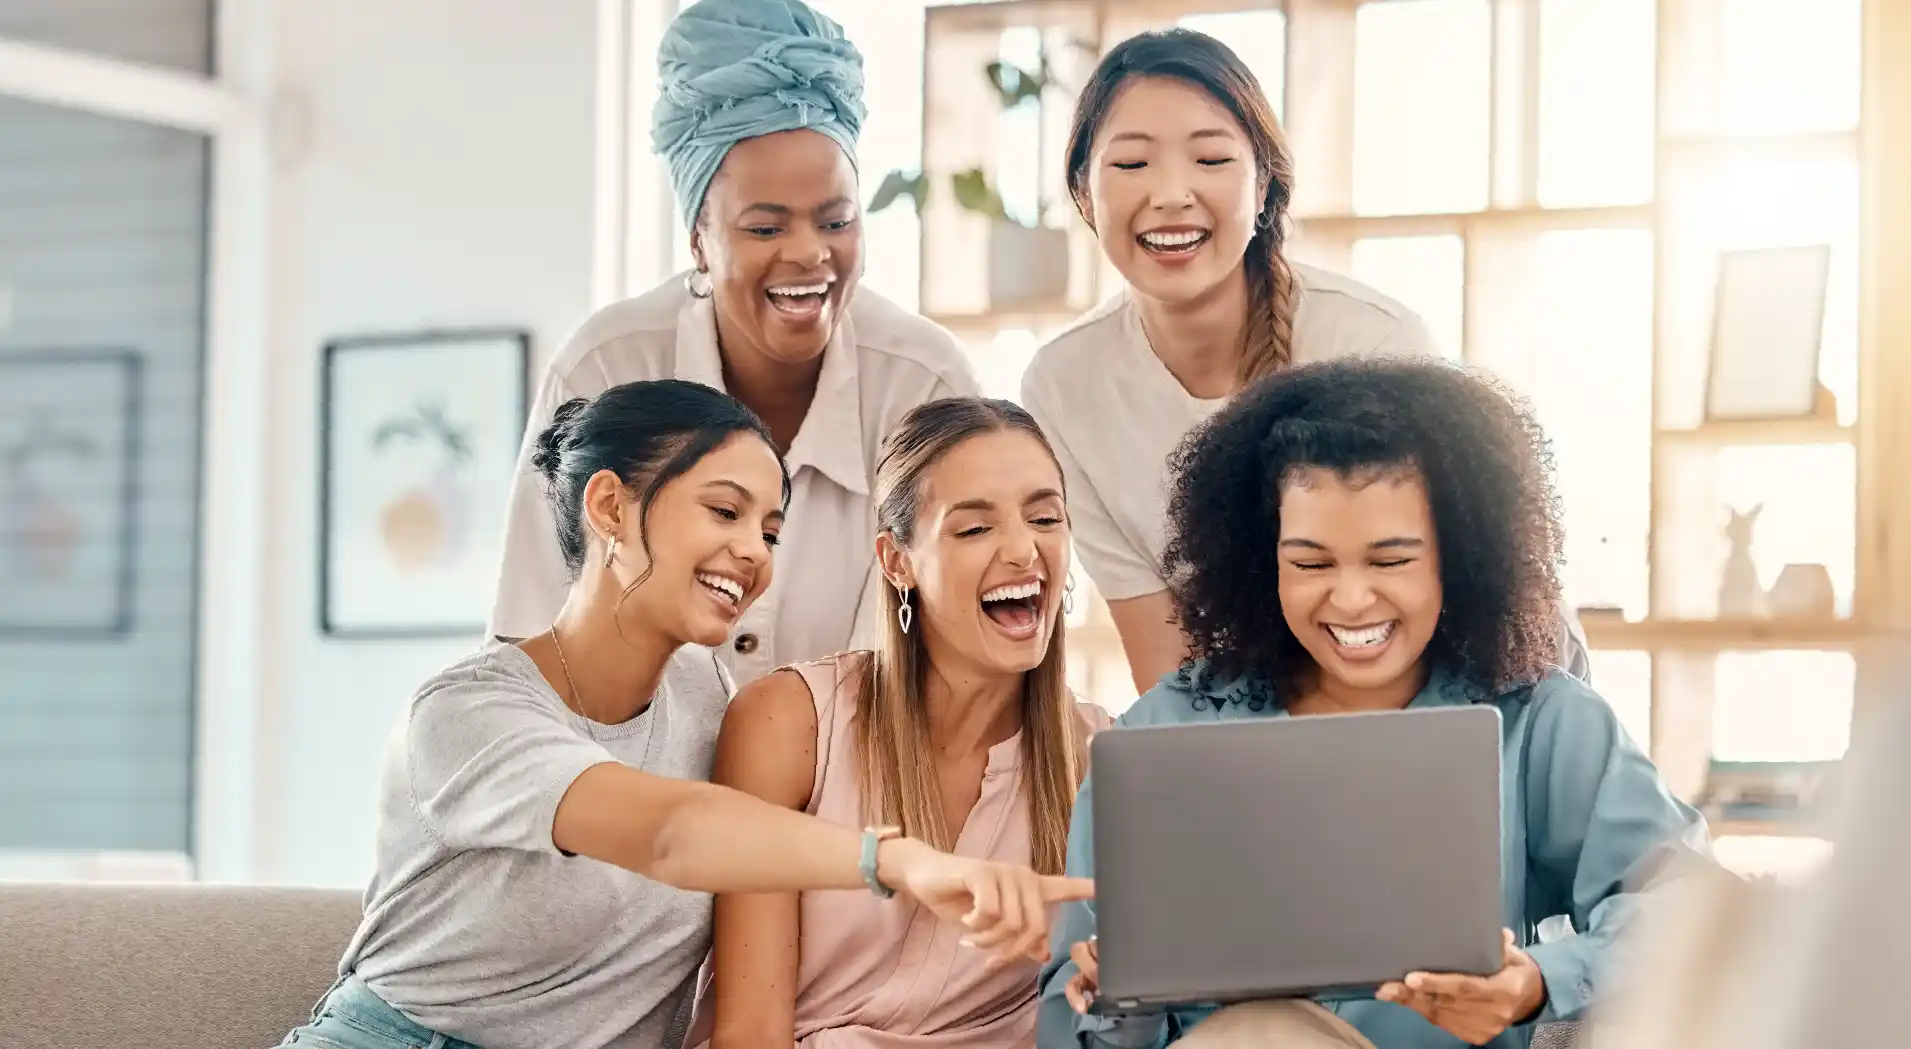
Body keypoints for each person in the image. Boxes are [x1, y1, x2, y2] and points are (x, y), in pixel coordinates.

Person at [275, 380, 1089, 1049]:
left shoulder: (707, 698)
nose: (753, 553)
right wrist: (905, 862)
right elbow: (674, 833)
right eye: (725, 512)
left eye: (770, 530)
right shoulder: (465, 715)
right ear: (609, 508)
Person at [1036, 357, 1707, 1049]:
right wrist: (1118, 1000)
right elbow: (1070, 1019)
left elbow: (1693, 905)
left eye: (1389, 561)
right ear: (1262, 562)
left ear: (1459, 555)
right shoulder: (1165, 732)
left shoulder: (1539, 720)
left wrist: (1538, 978)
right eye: (1310, 563)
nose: (1352, 599)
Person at [1018, 29, 1588, 694]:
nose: (1171, 194)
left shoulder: (1373, 340)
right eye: (1131, 165)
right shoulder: (1063, 386)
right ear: (1083, 195)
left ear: (1263, 188)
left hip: (1483, 697)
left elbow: (1454, 614)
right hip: (1271, 723)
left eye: (1210, 160)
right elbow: (1174, 680)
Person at [489, 0, 979, 687]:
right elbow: (530, 641)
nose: (810, 254)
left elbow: (947, 663)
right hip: (619, 787)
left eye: (835, 221)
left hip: (855, 786)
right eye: (764, 228)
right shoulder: (606, 367)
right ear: (698, 238)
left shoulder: (925, 384)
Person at [688, 397, 1112, 1049]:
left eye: (1045, 517)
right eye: (973, 529)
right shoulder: (788, 723)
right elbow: (749, 1031)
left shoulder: (1097, 758)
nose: (1024, 549)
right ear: (896, 561)